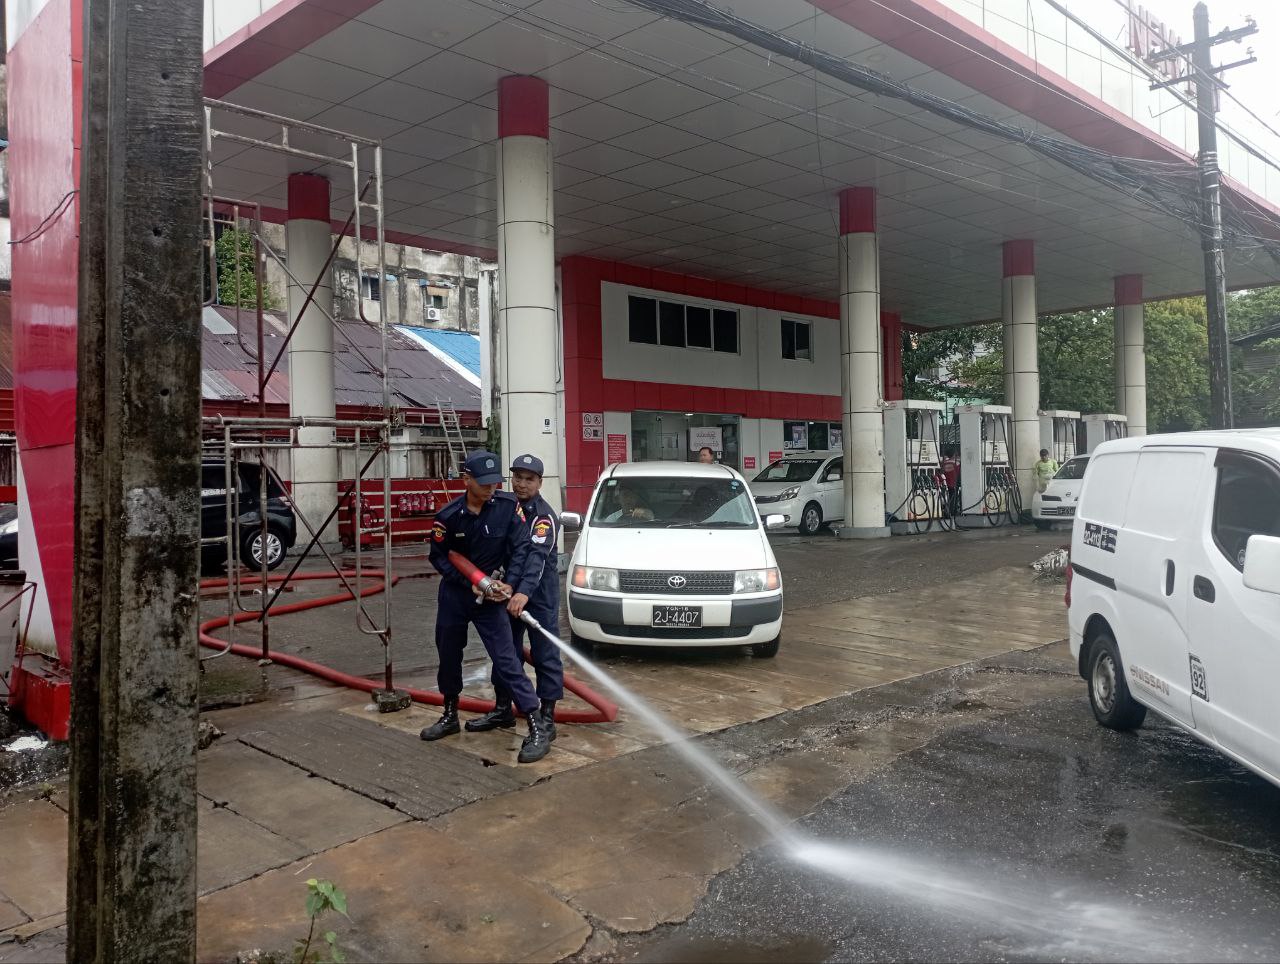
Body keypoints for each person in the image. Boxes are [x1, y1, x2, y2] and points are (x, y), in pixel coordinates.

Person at [421, 450, 552, 764]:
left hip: (493, 597)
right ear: (466, 480)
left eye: (495, 483)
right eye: (484, 483)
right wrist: (467, 582)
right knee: (448, 653)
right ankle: (449, 714)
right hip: (456, 596)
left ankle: (536, 726)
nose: (492, 489)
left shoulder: (507, 508)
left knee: (507, 659)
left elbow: (521, 548)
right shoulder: (448, 517)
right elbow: (439, 557)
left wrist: (510, 586)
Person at [466, 454, 565, 741]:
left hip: (538, 595)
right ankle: (503, 709)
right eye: (518, 478)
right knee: (505, 651)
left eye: (529, 479)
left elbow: (536, 557)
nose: (522, 484)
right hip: (508, 590)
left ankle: (547, 718)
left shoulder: (543, 517)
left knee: (545, 654)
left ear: (540, 483)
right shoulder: (505, 507)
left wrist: (522, 592)